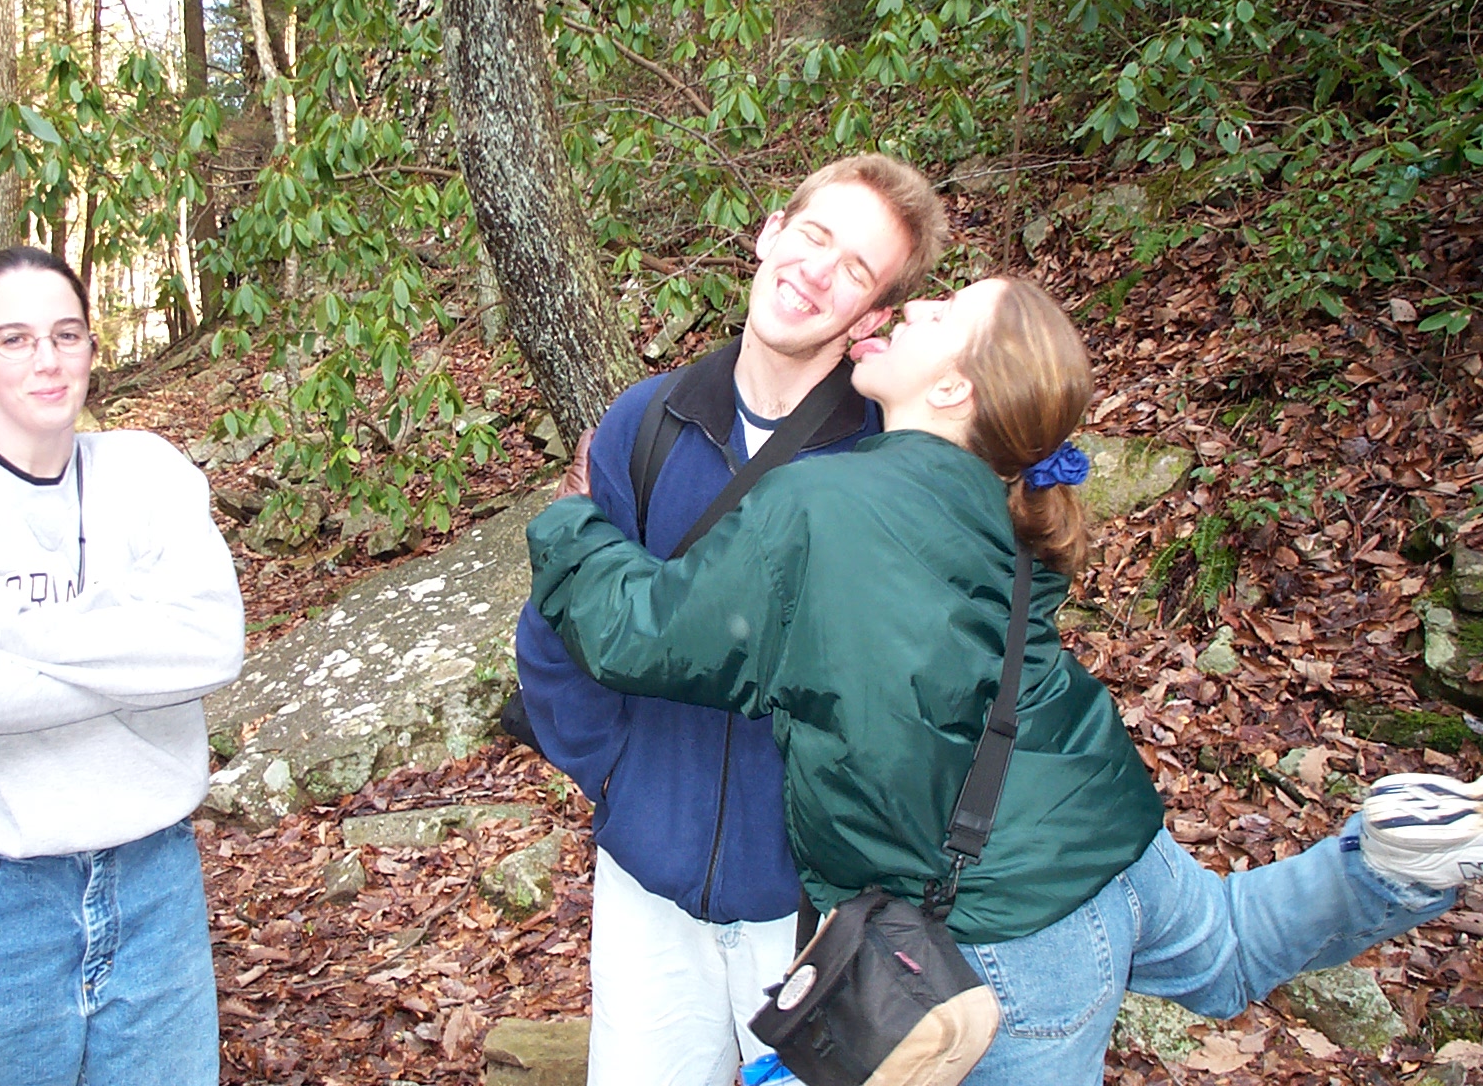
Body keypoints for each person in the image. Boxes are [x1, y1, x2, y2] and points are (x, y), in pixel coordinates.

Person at [526, 276, 1468, 1084]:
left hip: (1005, 935)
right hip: (1115, 843)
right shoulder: (1001, 510)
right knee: (1223, 951)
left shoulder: (822, 502)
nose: (916, 307)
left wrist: (571, 524)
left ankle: (1401, 855)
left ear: (949, 385)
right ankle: (1395, 861)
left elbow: (644, 636)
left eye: (942, 315)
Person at [514, 154, 948, 1083]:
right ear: (769, 235)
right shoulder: (648, 424)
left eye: (857, 269)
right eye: (813, 236)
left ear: (872, 317)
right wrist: (620, 777)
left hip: (809, 921)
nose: (817, 272)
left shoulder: (882, 465)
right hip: (644, 894)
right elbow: (555, 631)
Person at [0, 246, 245, 1086]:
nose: (46, 360)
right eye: (15, 338)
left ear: (92, 349)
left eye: (66, 335)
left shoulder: (146, 470)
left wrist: (2, 625)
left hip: (152, 881)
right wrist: (133, 640)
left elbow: (213, 644)